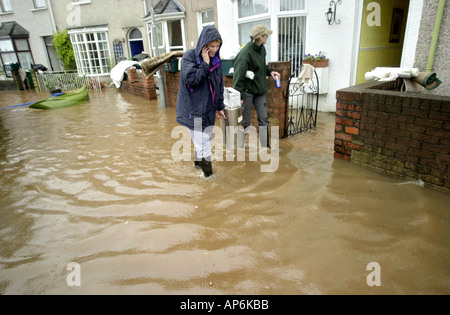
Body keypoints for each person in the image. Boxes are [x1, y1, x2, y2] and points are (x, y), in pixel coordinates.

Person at [176, 25, 226, 178]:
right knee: (204, 145)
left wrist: (219, 107)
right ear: (204, 45)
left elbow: (219, 85)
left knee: (205, 140)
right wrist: (205, 64)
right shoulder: (189, 57)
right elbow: (191, 80)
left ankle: (197, 168)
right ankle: (209, 179)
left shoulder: (217, 61)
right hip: (194, 111)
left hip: (208, 111)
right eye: (212, 46)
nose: (215, 50)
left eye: (217, 46)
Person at [232, 24, 280, 148]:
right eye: (265, 35)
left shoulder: (262, 49)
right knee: (245, 122)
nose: (267, 37)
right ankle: (240, 148)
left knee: (264, 120)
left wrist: (271, 71)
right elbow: (238, 76)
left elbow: (262, 67)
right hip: (247, 92)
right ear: (258, 37)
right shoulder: (245, 53)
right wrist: (240, 96)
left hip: (259, 91)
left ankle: (265, 146)